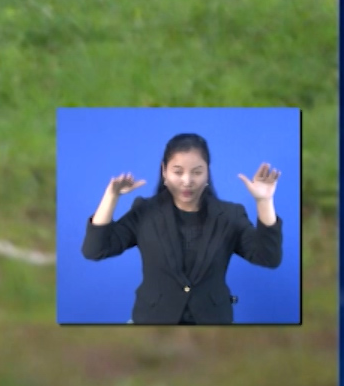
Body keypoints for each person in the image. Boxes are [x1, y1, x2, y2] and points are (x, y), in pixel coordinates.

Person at [81, 132, 283, 325]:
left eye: (197, 172)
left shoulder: (230, 215)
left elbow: (268, 257)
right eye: (178, 172)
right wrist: (111, 197)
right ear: (164, 171)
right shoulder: (145, 211)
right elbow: (95, 250)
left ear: (207, 172)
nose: (187, 181)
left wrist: (264, 201)